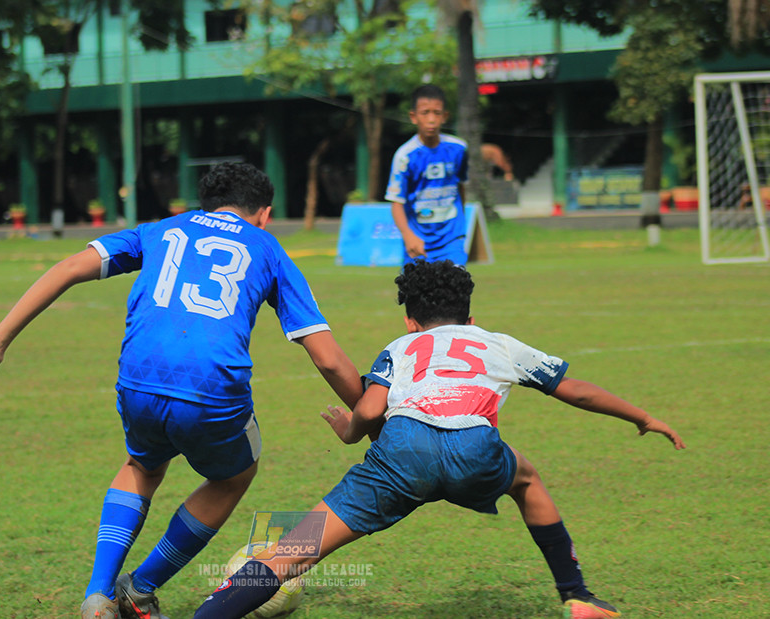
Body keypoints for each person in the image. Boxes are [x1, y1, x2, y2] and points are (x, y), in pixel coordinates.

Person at [0, 162, 364, 619]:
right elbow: (326, 356)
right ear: (263, 212)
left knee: (141, 464)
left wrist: (0, 337)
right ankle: (140, 588)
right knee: (233, 476)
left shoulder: (159, 229)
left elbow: (68, 267)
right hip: (211, 386)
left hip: (138, 375)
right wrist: (369, 413)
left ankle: (98, 594)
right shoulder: (268, 246)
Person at [193, 259, 686, 619]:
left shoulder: (402, 345)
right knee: (527, 479)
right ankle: (576, 596)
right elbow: (574, 391)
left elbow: (368, 408)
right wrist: (641, 417)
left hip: (402, 452)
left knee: (295, 550)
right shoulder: (495, 341)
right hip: (475, 449)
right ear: (470, 319)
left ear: (410, 321)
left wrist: (348, 432)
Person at [386, 84, 470, 265]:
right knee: (416, 293)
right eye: (425, 113)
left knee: (454, 291)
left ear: (445, 116)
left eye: (437, 113)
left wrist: (460, 225)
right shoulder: (405, 156)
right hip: (418, 241)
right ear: (413, 117)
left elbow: (460, 187)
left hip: (451, 240)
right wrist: (408, 236)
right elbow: (396, 203)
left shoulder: (459, 149)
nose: (431, 119)